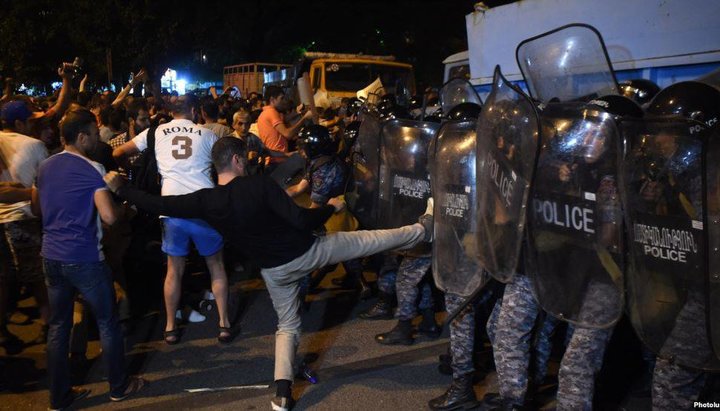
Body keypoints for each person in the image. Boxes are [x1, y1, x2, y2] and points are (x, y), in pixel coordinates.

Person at [104, 136, 433, 411]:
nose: (247, 162)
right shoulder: (259, 185)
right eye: (244, 158)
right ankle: (423, 229)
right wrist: (331, 208)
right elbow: (303, 221)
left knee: (287, 327)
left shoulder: (207, 201)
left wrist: (121, 189)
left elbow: (160, 205)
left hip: (274, 272)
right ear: (235, 159)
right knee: (371, 240)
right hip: (308, 252)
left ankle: (281, 395)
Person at [35, 108, 144, 410]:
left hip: (51, 255)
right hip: (83, 256)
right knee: (108, 322)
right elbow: (108, 216)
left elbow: (37, 207)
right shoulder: (92, 168)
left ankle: (59, 396)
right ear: (81, 137)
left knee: (59, 327)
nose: (98, 140)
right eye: (94, 135)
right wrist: (118, 195)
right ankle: (119, 387)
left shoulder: (45, 165)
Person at [112, 95, 231, 344]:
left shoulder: (154, 133)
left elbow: (118, 152)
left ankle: (169, 328)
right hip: (203, 206)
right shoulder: (208, 134)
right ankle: (224, 324)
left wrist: (130, 175)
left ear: (171, 111)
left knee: (173, 270)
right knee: (216, 266)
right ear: (194, 110)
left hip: (170, 208)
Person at [0, 100, 50, 347]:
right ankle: (46, 324)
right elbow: (47, 184)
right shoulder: (34, 145)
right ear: (19, 123)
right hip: (25, 216)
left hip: (4, 220)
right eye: (30, 120)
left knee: (7, 279)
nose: (35, 124)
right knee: (37, 276)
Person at [257, 86, 312, 173]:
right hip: (277, 161)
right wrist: (305, 118)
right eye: (281, 99)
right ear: (272, 99)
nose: (284, 101)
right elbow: (288, 134)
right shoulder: (271, 112)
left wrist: (298, 112)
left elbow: (284, 120)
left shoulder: (266, 113)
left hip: (275, 160)